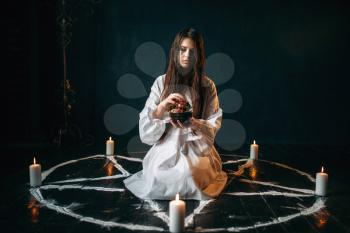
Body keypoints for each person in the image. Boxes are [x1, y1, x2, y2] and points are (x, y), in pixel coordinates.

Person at [123, 28, 227, 200]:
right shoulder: (161, 82)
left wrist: (193, 122)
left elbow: (213, 125)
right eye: (182, 49)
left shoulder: (208, 86)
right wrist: (162, 106)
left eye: (192, 51)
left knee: (190, 174)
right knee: (157, 174)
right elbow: (145, 131)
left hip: (196, 145)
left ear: (199, 55)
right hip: (167, 142)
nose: (186, 55)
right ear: (175, 51)